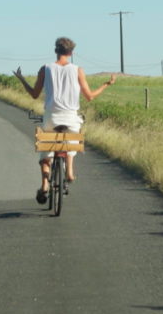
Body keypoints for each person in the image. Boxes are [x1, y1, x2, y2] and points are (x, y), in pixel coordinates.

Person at [14, 37, 116, 204]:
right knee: (70, 142)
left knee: (46, 150)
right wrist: (106, 84)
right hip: (70, 117)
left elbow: (34, 94)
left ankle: (45, 185)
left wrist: (22, 79)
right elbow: (89, 96)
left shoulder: (45, 68)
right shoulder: (77, 70)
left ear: (56, 50)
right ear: (71, 53)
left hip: (51, 117)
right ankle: (69, 172)